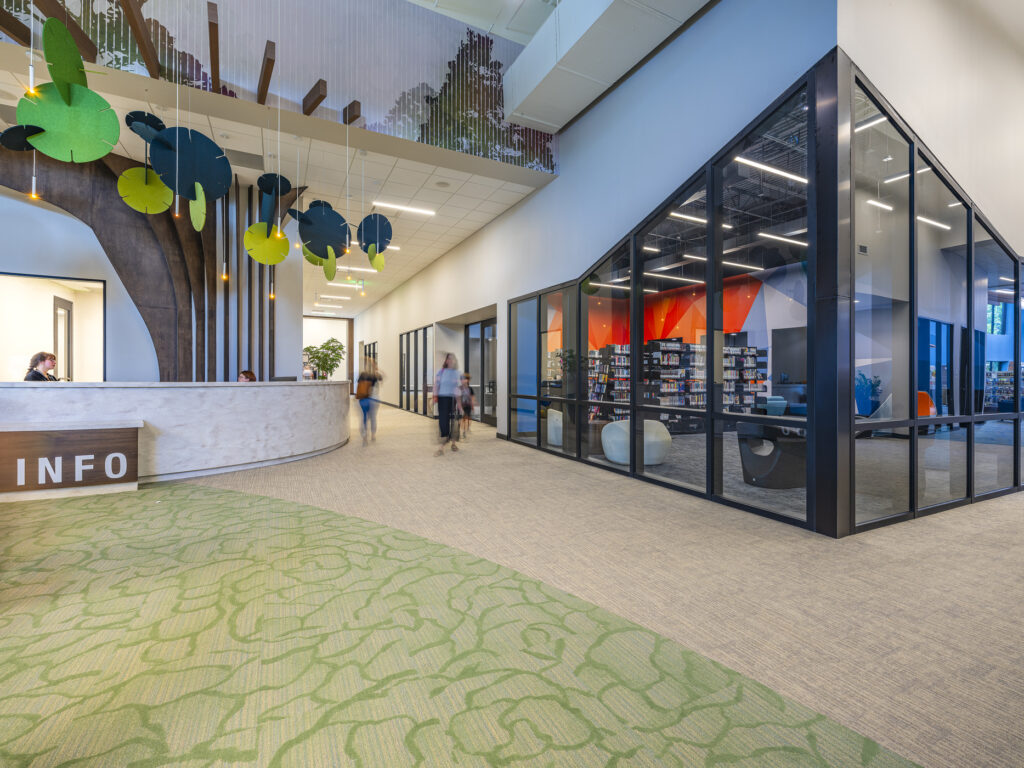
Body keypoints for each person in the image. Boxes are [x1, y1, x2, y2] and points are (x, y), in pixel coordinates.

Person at [433, 353, 461, 456]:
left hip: (452, 399)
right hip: (442, 399)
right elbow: (436, 385)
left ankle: (453, 444)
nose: (450, 361)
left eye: (452, 359)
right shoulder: (441, 372)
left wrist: (459, 404)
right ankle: (441, 447)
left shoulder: (456, 373)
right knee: (443, 423)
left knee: (453, 422)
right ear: (446, 361)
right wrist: (435, 397)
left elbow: (457, 389)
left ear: (454, 361)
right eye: (448, 359)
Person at [355, 360, 384, 445]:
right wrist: (378, 370)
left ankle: (364, 437)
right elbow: (383, 379)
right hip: (375, 399)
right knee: (373, 418)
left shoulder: (363, 374)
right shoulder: (377, 375)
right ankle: (373, 435)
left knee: (364, 418)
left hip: (364, 399)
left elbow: (358, 383)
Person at [457, 373, 475, 439]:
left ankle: (465, 430)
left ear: (468, 380)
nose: (464, 380)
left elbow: (472, 397)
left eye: (465, 379)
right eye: (462, 379)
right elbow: (458, 398)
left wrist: (472, 405)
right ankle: (461, 431)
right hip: (461, 406)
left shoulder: (470, 389)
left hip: (468, 405)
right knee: (462, 419)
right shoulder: (459, 388)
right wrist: (459, 407)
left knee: (468, 419)